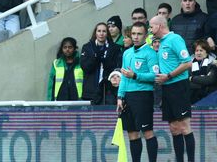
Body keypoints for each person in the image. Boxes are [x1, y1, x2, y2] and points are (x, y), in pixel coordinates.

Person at [151, 14, 196, 162]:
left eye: (152, 26)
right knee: (174, 128)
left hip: (178, 86)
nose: (150, 30)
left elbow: (187, 63)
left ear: (160, 26)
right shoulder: (161, 42)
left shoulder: (175, 39)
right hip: (167, 88)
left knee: (184, 126)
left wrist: (169, 76)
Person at [117, 21, 160, 162]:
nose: (135, 37)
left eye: (139, 34)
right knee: (132, 133)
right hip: (127, 97)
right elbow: (123, 76)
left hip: (143, 96)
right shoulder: (127, 53)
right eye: (133, 34)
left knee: (147, 132)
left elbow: (155, 76)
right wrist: (120, 96)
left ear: (145, 35)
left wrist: (135, 75)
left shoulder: (150, 53)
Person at [80, 22, 123, 105]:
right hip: (90, 90)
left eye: (104, 31)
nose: (101, 33)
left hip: (108, 90)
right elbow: (85, 67)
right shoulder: (87, 47)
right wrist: (96, 57)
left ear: (107, 33)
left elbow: (116, 67)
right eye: (99, 31)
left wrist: (104, 58)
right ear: (95, 33)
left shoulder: (115, 48)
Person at [47, 37, 83, 101]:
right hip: (60, 98)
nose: (67, 49)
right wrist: (49, 100)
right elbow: (51, 84)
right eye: (65, 47)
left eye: (70, 47)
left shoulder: (82, 62)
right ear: (62, 49)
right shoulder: (56, 63)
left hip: (77, 99)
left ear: (74, 48)